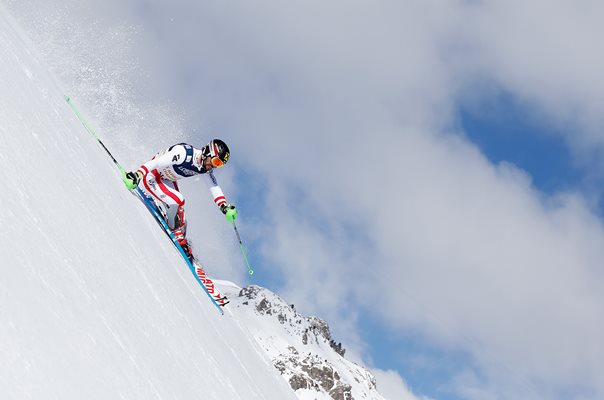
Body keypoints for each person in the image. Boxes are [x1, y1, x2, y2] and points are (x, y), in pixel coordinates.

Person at [124, 139, 237, 259]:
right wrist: (137, 175)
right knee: (178, 201)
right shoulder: (184, 153)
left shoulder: (205, 168)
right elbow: (157, 163)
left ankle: (180, 236)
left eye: (218, 165)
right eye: (215, 161)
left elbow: (214, 187)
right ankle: (175, 231)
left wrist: (224, 206)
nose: (213, 166)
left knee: (183, 222)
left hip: (166, 180)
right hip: (151, 176)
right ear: (208, 152)